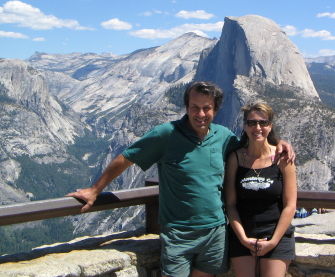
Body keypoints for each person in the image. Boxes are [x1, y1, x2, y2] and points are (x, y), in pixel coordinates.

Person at [66, 81, 295, 277]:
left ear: (215, 110)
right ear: (186, 107)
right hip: (178, 234)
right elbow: (126, 158)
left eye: (207, 108)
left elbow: (254, 145)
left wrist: (280, 143)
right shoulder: (165, 134)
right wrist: (95, 190)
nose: (201, 114)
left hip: (215, 232)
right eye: (195, 107)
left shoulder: (223, 136)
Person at [224, 102, 297, 277]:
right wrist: (243, 238)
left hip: (276, 235)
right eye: (252, 123)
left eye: (263, 122)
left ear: (270, 126)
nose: (257, 127)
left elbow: (290, 206)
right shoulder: (235, 158)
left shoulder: (283, 159)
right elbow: (231, 204)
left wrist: (272, 242)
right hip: (243, 234)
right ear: (244, 126)